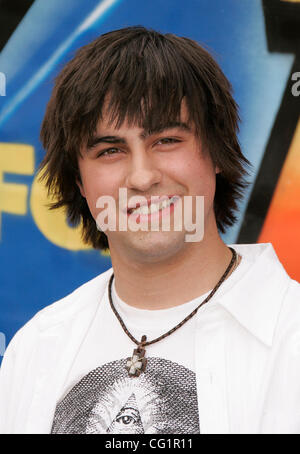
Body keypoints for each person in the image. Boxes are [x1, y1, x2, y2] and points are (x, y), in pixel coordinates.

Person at [0, 26, 299, 435]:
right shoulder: (36, 347)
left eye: (166, 140)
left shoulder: (291, 333)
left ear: (216, 150)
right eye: (110, 150)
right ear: (80, 183)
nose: (141, 177)